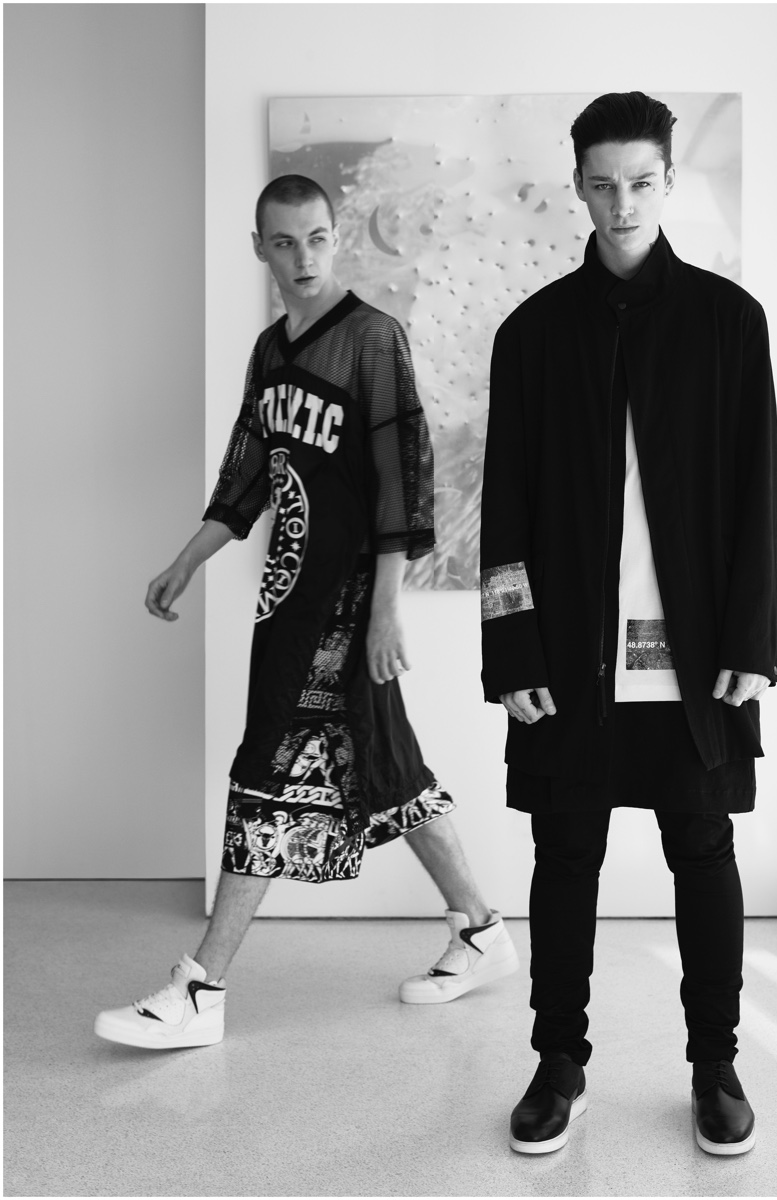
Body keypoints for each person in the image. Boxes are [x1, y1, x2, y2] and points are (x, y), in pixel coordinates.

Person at [95, 174, 518, 1050]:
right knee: (390, 767)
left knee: (266, 761)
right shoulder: (270, 352)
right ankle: (481, 931)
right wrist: (185, 562)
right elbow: (246, 475)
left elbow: (404, 477)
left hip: (350, 601)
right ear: (260, 248)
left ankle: (203, 988)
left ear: (338, 237)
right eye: (284, 242)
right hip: (290, 598)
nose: (304, 257)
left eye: (318, 237)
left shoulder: (371, 338)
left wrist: (385, 610)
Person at [480, 92, 777, 1156]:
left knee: (703, 848)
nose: (621, 203)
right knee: (565, 852)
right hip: (570, 657)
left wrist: (754, 640)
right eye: (602, 183)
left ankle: (716, 1065)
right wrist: (510, 648)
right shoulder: (531, 335)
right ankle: (558, 1064)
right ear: (577, 184)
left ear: (668, 181)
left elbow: (759, 493)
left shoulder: (729, 322)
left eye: (641, 182)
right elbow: (504, 509)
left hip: (693, 657)